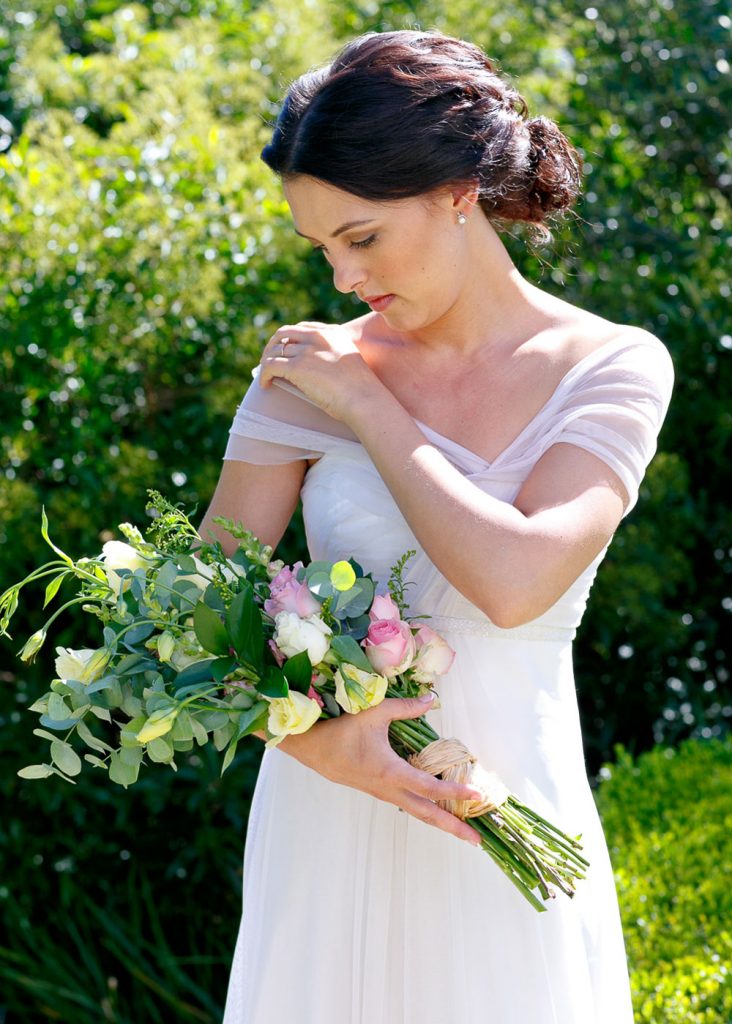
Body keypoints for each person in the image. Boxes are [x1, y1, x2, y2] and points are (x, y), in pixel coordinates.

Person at [200, 29, 674, 1024]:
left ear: (459, 191)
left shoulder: (613, 366)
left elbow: (514, 580)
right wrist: (319, 746)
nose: (342, 280)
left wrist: (369, 409)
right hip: (325, 828)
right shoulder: (300, 376)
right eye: (322, 248)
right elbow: (193, 616)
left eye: (361, 238)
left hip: (508, 820)